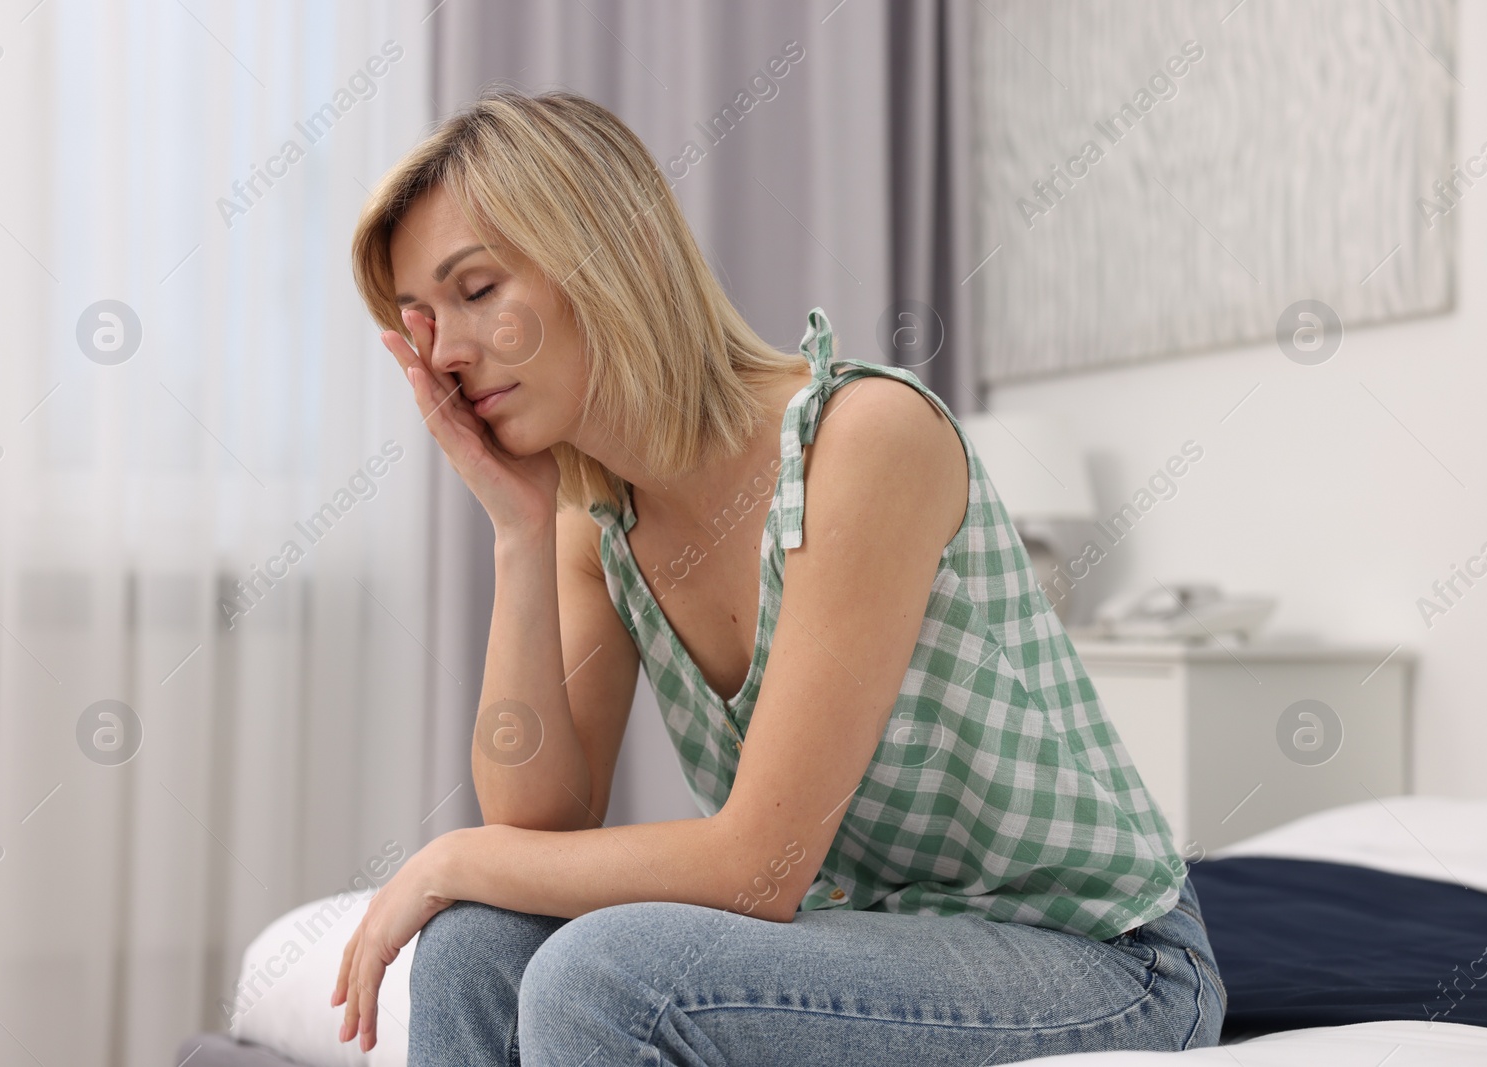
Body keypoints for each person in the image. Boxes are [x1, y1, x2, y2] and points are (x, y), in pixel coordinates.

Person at [332, 85, 1226, 1066]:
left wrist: (448, 854)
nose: (448, 353)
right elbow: (538, 822)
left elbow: (759, 868)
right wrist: (516, 525)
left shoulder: (864, 438)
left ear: (606, 252)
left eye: (476, 289)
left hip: (1102, 959)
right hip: (877, 927)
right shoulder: (602, 521)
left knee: (603, 974)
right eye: (422, 320)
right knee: (473, 942)